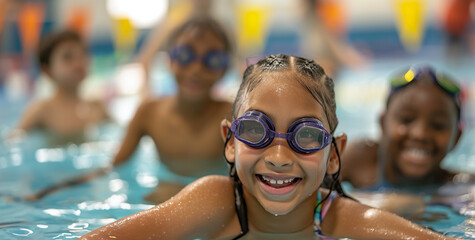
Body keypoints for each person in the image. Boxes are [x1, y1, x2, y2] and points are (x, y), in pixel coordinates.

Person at [78, 55, 455, 240]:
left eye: (305, 136)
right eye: (256, 130)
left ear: (334, 153)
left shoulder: (341, 220)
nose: (278, 158)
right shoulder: (216, 202)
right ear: (230, 140)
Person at [27, 16, 232, 203]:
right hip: (167, 192)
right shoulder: (149, 113)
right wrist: (54, 190)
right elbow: (113, 167)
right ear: (170, 59)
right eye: (186, 55)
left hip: (217, 198)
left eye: (211, 60)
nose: (196, 69)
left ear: (224, 69)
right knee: (160, 194)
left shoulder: (232, 116)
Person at [341, 66, 463, 192]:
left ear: (457, 138)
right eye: (406, 120)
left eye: (438, 125)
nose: (420, 134)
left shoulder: (461, 187)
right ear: (383, 124)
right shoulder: (359, 160)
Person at [14, 29, 108, 144]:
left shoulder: (97, 107)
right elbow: (13, 141)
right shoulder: (42, 111)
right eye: (67, 57)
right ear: (47, 70)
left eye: (83, 53)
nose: (79, 62)